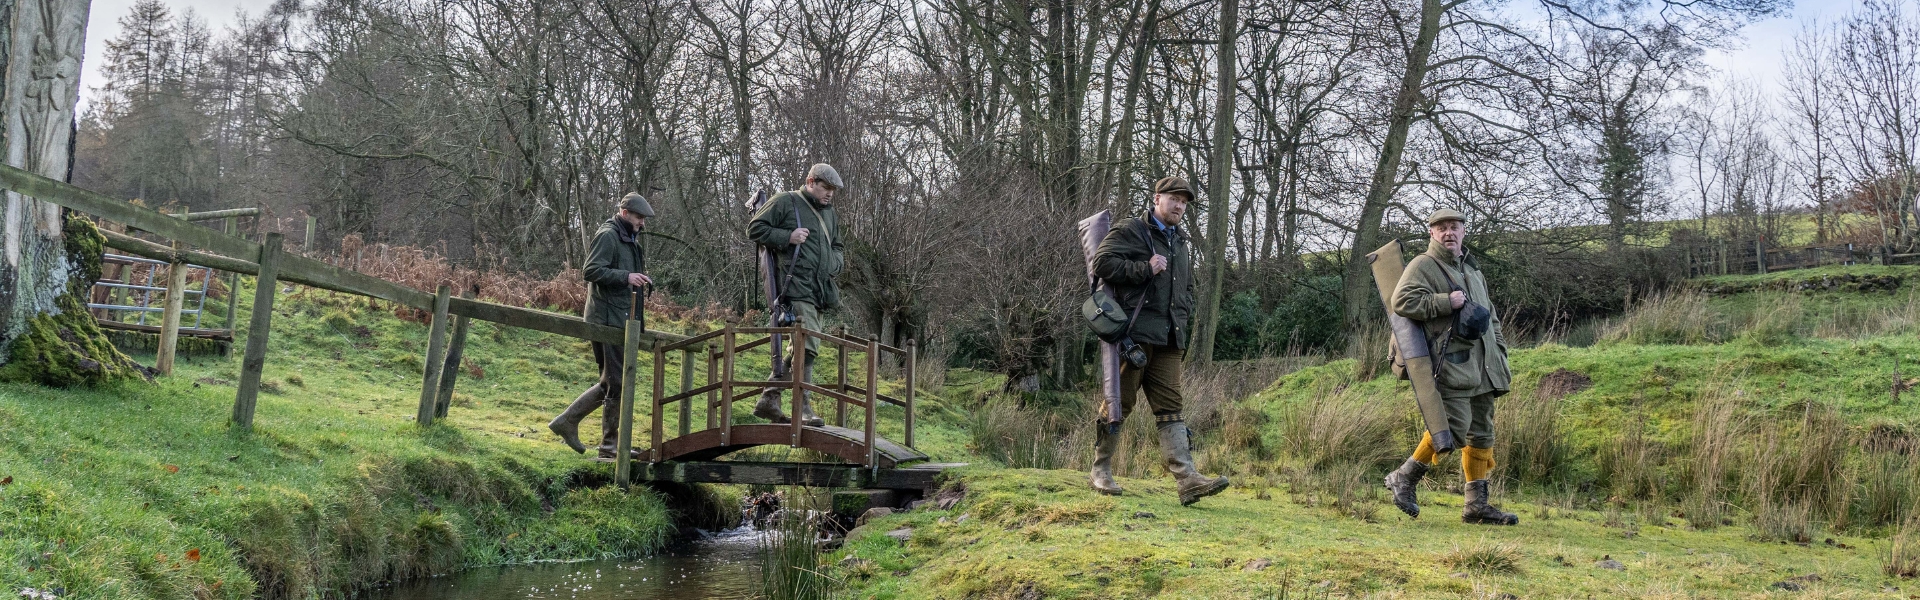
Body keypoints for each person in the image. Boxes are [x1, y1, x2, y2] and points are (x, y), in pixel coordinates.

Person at [1088, 176, 1230, 506]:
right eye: (1173, 199)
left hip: (1170, 338)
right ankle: (1101, 470)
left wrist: (1184, 313)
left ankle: (1187, 480)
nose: (1179, 205)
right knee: (1118, 403)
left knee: (1171, 409)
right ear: (1157, 199)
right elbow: (1101, 264)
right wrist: (1144, 269)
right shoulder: (1132, 230)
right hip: (1133, 336)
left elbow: (1186, 289)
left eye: (1184, 201)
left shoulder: (1180, 242)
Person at [1382, 208, 1518, 525]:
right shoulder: (1423, 265)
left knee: (1482, 434)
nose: (1448, 232)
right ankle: (1404, 477)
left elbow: (1491, 316)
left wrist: (1499, 348)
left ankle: (1476, 506)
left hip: (1485, 366)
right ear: (1432, 233)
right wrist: (1446, 302)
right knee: (1452, 431)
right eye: (1441, 228)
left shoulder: (1472, 271)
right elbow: (1401, 302)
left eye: (1454, 227)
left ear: (1463, 231)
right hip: (1452, 365)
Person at [548, 192, 655, 459]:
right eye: (639, 217)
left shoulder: (628, 239)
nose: (642, 223)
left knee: (612, 381)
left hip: (620, 319)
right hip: (606, 319)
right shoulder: (609, 235)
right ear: (624, 212)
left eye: (643, 219)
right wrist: (626, 276)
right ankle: (604, 443)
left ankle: (577, 427)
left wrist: (636, 278)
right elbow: (591, 270)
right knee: (615, 381)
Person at [747, 163, 847, 427]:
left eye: (833, 190)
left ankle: (770, 398)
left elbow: (837, 246)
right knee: (808, 346)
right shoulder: (785, 201)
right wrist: (787, 236)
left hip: (820, 291)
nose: (829, 194)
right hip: (794, 288)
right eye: (826, 188)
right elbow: (755, 229)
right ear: (811, 181)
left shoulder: (830, 215)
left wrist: (835, 264)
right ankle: (802, 409)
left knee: (806, 347)